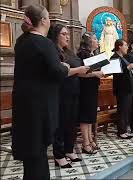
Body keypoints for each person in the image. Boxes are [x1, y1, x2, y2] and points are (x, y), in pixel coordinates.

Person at [12, 5, 69, 180]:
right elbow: (56, 71)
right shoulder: (44, 43)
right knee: (38, 152)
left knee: (32, 153)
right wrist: (65, 67)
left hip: (24, 103)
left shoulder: (22, 41)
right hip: (39, 106)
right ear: (43, 20)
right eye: (48, 17)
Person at [47, 24, 89, 168]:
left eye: (67, 34)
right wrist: (77, 69)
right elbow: (60, 71)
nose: (67, 36)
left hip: (74, 90)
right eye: (64, 34)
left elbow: (73, 69)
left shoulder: (69, 52)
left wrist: (86, 70)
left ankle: (69, 149)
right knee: (61, 123)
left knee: (71, 123)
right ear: (55, 35)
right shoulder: (53, 51)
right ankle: (59, 155)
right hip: (61, 91)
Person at [77, 32, 104, 154]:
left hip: (92, 88)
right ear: (88, 41)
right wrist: (95, 73)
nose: (97, 41)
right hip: (85, 89)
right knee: (85, 117)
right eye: (94, 39)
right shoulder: (83, 54)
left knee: (90, 117)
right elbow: (81, 73)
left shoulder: (92, 54)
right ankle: (85, 143)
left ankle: (90, 139)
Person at [111, 39, 133, 139]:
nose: (127, 47)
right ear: (119, 47)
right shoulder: (114, 58)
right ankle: (121, 131)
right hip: (121, 88)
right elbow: (116, 72)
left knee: (126, 110)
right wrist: (128, 68)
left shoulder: (123, 57)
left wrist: (131, 68)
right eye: (125, 45)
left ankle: (125, 129)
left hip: (127, 88)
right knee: (122, 110)